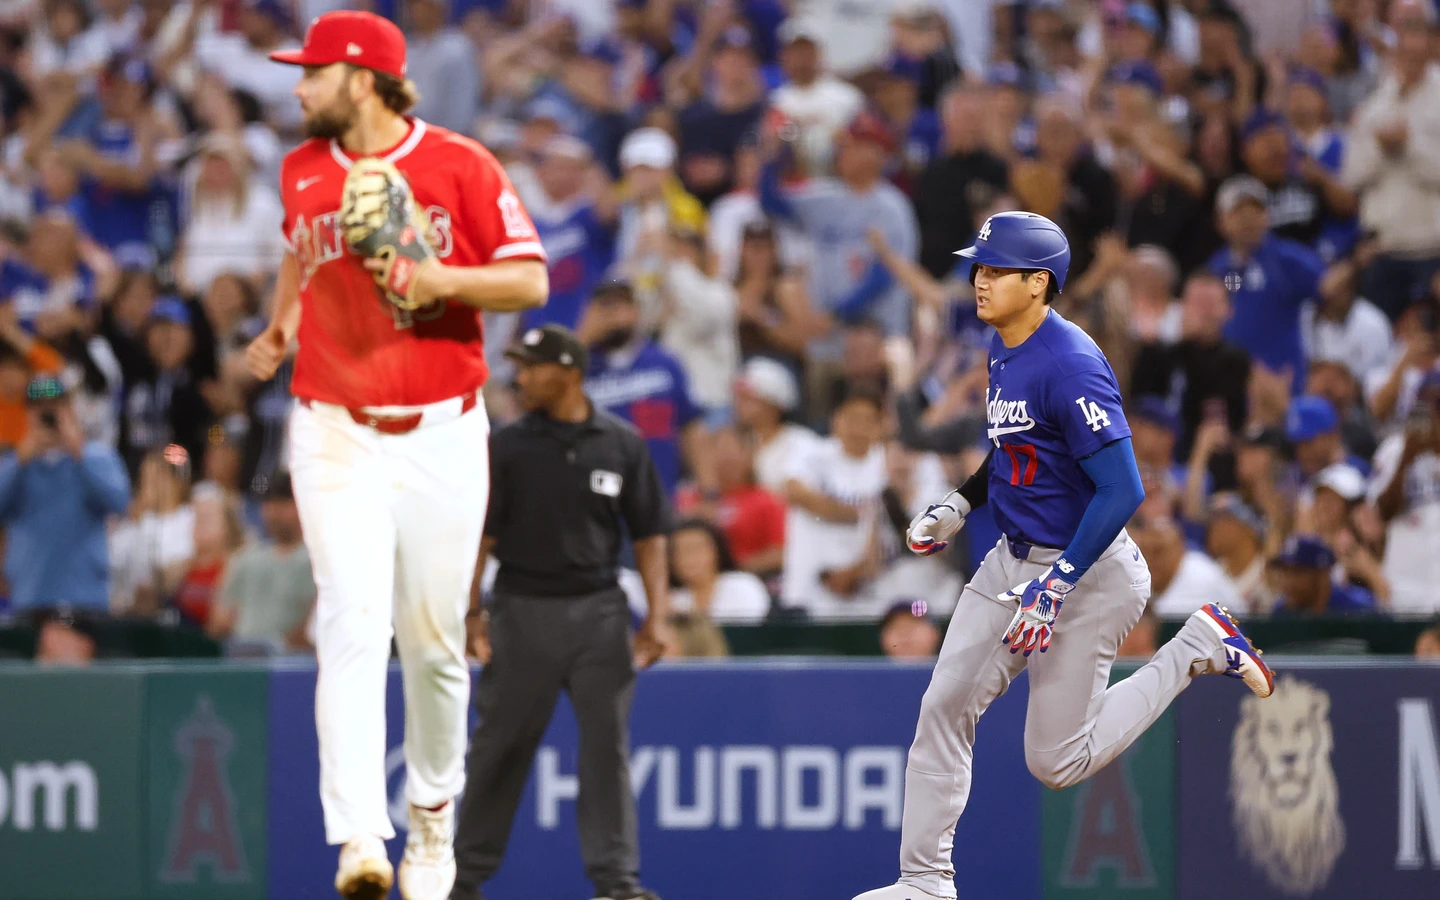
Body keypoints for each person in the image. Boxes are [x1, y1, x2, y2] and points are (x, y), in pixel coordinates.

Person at [853, 212, 1274, 900]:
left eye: (997, 270)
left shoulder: (1070, 362)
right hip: (1011, 560)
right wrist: (961, 502)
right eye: (980, 266)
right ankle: (924, 882)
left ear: (1038, 282)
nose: (979, 280)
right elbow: (1016, 447)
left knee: (1056, 762)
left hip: (1090, 568)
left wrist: (1057, 584)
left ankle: (1197, 647)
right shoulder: (1004, 345)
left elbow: (1123, 489)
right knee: (943, 707)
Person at [246, 12, 549, 900]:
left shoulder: (459, 164)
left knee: (435, 642)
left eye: (313, 72)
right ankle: (358, 837)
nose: (299, 86)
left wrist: (440, 279)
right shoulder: (302, 167)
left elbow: (529, 279)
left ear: (361, 79)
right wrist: (282, 323)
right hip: (333, 425)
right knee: (350, 619)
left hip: (443, 428)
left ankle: (431, 822)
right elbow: (299, 251)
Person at [454, 324, 668, 900]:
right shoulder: (507, 445)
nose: (521, 377)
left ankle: (617, 883)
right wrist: (471, 611)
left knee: (606, 750)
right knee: (499, 748)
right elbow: (480, 537)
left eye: (532, 367)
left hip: (600, 613)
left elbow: (650, 535)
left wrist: (658, 616)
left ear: (569, 373)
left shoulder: (621, 443)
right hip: (521, 610)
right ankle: (462, 879)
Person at [0, 376, 130, 613]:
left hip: (83, 599)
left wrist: (79, 451)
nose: (46, 415)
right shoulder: (14, 463)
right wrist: (19, 460)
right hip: (28, 597)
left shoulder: (96, 456)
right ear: (28, 414)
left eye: (54, 407)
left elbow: (119, 501)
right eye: (38, 409)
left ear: (69, 410)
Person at [1208, 174, 1325, 395]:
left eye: (1255, 210)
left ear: (1268, 216)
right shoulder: (1219, 267)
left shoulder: (1288, 260)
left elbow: (1326, 288)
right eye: (1238, 211)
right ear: (1221, 221)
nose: (1247, 218)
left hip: (1282, 380)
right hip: (1230, 380)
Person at [207, 473, 316, 652]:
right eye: (269, 503)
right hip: (241, 655)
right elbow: (220, 619)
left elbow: (315, 622)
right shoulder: (246, 557)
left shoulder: (315, 560)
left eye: (283, 503)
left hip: (293, 661)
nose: (274, 512)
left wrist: (281, 647)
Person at [1370, 370, 1440, 616]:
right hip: (1406, 584)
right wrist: (1406, 460)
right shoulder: (1394, 450)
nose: (1434, 415)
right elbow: (1382, 514)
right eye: (1426, 407)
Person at [668, 517, 771, 623]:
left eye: (696, 548)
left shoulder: (743, 585)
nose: (689, 558)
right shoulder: (673, 601)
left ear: (717, 551)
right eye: (679, 551)